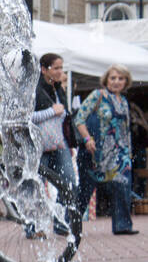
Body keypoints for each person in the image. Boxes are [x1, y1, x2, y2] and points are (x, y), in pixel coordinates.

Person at [74, 64, 140, 236]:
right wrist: (87, 138)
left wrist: (128, 152)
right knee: (85, 190)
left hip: (120, 154)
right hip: (96, 152)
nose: (116, 82)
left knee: (123, 186)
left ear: (126, 81)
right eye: (113, 78)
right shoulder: (98, 96)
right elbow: (79, 119)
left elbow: (125, 130)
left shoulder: (123, 102)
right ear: (106, 80)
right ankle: (70, 224)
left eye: (121, 78)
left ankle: (123, 225)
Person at [29, 53, 80, 242]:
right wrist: (51, 111)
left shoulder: (58, 89)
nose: (60, 72)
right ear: (44, 69)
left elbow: (66, 119)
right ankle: (32, 227)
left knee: (69, 183)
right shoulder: (34, 89)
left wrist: (71, 143)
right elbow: (27, 117)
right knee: (35, 186)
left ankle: (60, 223)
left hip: (59, 144)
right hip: (39, 146)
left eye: (61, 67)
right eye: (56, 68)